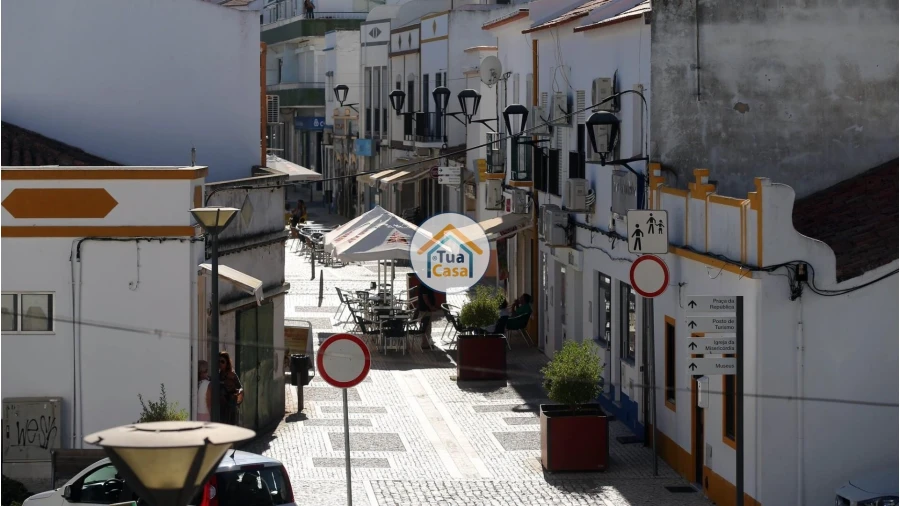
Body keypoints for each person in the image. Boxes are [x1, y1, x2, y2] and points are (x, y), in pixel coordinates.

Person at [218, 351, 243, 425]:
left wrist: (238, 393)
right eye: (218, 361)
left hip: (231, 405)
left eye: (222, 361)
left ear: (227, 363)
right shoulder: (218, 375)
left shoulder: (232, 374)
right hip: (222, 406)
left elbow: (240, 388)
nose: (220, 363)